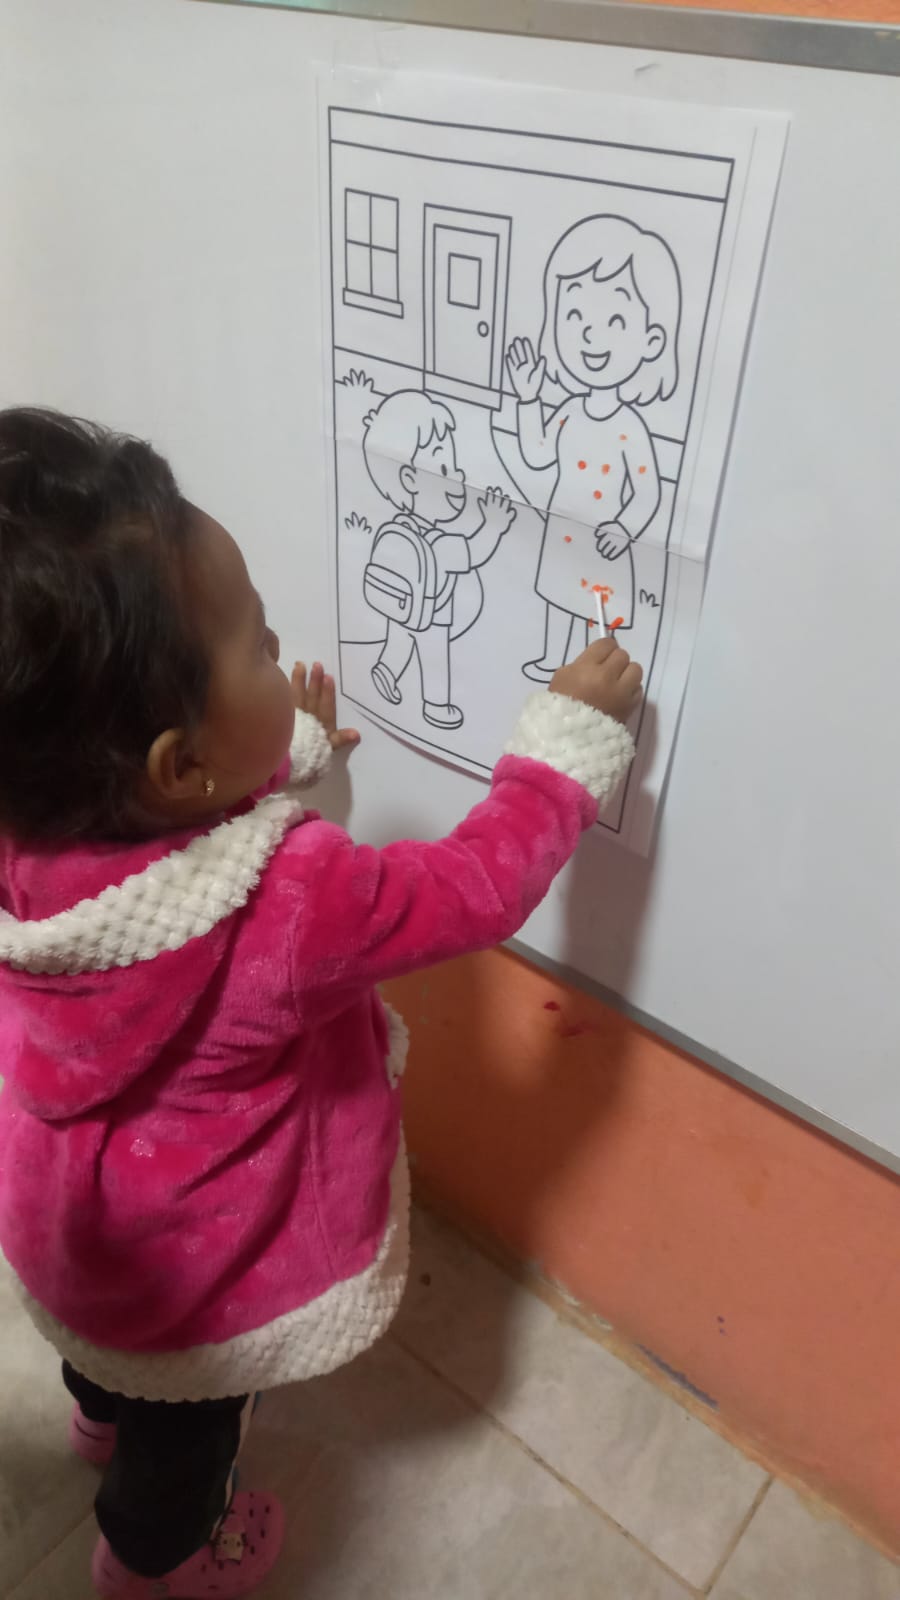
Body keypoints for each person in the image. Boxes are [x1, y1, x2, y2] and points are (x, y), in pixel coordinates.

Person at [0, 408, 642, 1599]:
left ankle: (96, 1413)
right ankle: (152, 1559)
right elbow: (475, 885)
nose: (279, 645)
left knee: (111, 1368)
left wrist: (268, 747)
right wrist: (563, 750)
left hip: (74, 1231)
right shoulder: (295, 898)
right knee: (186, 1432)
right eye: (255, 646)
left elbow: (168, 835)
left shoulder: (30, 834)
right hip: (195, 1280)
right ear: (182, 766)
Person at [506, 214, 681, 681]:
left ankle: (595, 672)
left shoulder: (630, 428)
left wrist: (625, 528)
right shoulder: (568, 409)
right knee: (555, 596)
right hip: (563, 532)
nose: (589, 334)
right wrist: (528, 400)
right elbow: (538, 452)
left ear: (651, 341)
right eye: (574, 315)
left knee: (597, 614)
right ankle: (552, 658)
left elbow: (647, 492)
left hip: (604, 541)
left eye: (615, 320)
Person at [362, 389, 515, 729]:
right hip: (432, 615)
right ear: (410, 479)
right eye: (445, 468)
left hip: (400, 604)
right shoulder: (441, 544)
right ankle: (436, 705)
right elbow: (474, 552)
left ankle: (386, 670)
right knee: (435, 657)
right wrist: (493, 525)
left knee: (399, 640)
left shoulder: (400, 526)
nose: (458, 477)